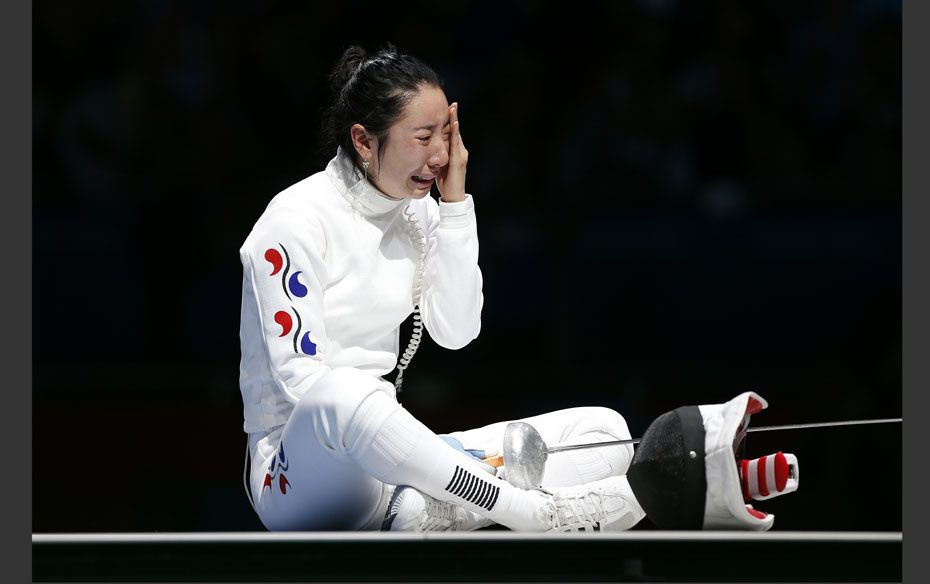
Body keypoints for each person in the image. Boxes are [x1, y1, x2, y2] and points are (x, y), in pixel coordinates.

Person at [237, 44, 645, 532]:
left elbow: (456, 331)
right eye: (424, 136)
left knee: (604, 435)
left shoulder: (420, 211)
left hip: (392, 467)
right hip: (295, 474)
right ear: (365, 141)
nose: (440, 155)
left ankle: (416, 514)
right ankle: (531, 514)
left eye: (446, 135)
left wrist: (453, 206)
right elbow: (303, 385)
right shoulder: (293, 221)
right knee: (342, 391)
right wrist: (419, 459)